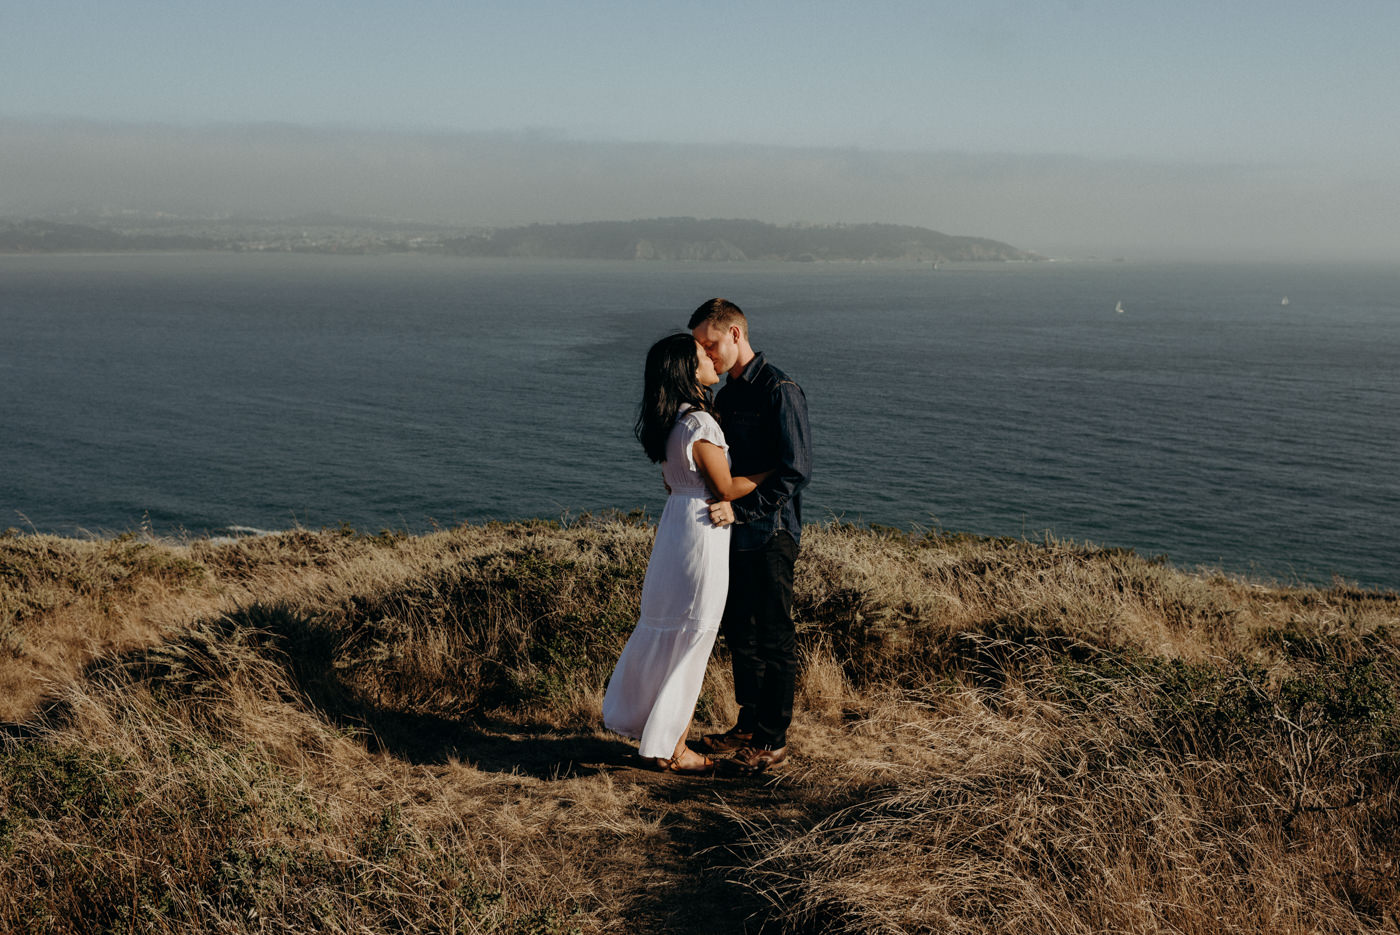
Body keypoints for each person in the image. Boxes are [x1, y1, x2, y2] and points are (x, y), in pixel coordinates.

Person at [602, 332, 772, 774]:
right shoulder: (700, 424)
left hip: (676, 528)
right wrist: (776, 466)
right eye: (702, 355)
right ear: (686, 370)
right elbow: (728, 487)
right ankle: (673, 749)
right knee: (694, 638)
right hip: (702, 535)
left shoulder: (671, 422)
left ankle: (659, 737)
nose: (712, 357)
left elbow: (673, 483)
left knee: (673, 634)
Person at [689, 298, 812, 775]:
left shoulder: (781, 390)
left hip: (771, 533)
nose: (706, 353)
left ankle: (772, 739)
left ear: (736, 334)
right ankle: (749, 723)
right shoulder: (728, 394)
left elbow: (795, 470)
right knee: (741, 634)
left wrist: (742, 510)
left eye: (711, 342)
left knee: (774, 637)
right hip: (732, 533)